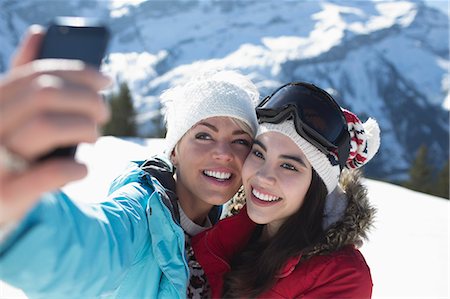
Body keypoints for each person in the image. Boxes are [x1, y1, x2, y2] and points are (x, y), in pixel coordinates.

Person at [0, 26, 260, 299]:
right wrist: (16, 217)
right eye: (204, 135)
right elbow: (90, 251)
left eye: (240, 141)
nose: (224, 153)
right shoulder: (141, 213)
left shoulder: (229, 234)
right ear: (174, 151)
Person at [192, 82, 381, 298]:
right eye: (259, 154)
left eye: (289, 166)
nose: (263, 176)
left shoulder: (342, 276)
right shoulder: (226, 231)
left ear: (318, 185)